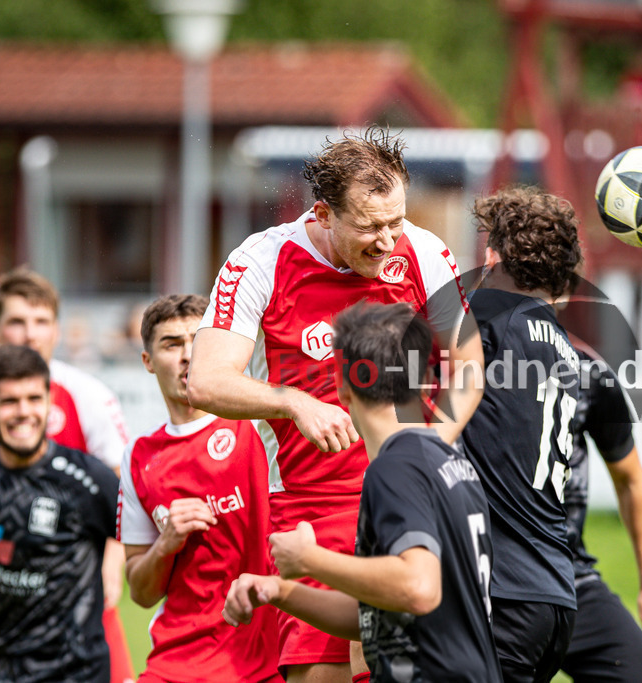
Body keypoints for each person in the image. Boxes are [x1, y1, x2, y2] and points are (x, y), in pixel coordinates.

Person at [188, 127, 482, 683]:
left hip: (411, 499)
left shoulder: (423, 251)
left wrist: (430, 446)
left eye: (396, 219)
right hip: (312, 502)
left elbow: (470, 365)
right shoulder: (263, 259)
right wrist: (291, 402)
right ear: (323, 214)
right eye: (370, 227)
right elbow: (204, 382)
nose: (389, 239)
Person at [223, 302, 501, 683]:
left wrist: (309, 560)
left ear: (341, 386)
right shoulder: (446, 461)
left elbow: (418, 588)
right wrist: (281, 592)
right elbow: (378, 612)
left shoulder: (395, 469)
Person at [0, 267, 133, 683]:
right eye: (18, 322)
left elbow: (122, 493)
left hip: (74, 589)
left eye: (41, 322)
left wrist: (111, 568)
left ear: (56, 329)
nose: (30, 334)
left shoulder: (87, 394)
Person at [118, 294, 280, 682]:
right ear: (148, 362)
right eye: (172, 344)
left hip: (261, 659)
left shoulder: (260, 427)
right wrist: (166, 543)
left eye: (198, 341)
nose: (188, 355)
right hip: (175, 660)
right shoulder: (139, 456)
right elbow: (140, 592)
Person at [458, 186, 583, 682]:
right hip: (555, 594)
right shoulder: (564, 346)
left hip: (503, 593)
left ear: (492, 255)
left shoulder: (490, 311)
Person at [559, 344, 642, 682]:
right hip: (491, 583)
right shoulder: (473, 363)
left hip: (569, 575)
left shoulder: (587, 372)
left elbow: (630, 480)